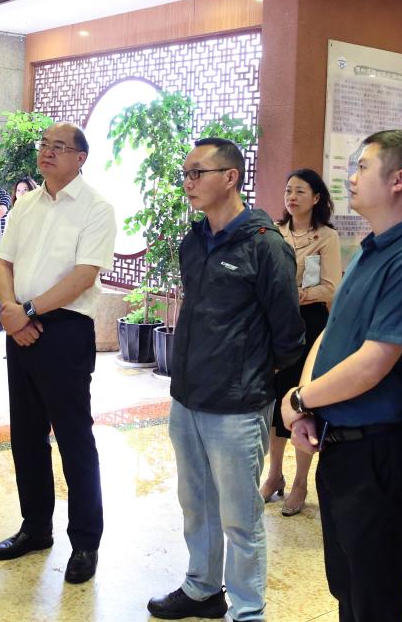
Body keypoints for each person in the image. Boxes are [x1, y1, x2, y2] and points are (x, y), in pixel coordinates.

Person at [282, 130, 402, 622]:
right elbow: (331, 333)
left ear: (398, 179)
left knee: (375, 598)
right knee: (348, 588)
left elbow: (374, 361)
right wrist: (306, 400)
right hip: (341, 444)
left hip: (382, 449)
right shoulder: (370, 249)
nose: (350, 177)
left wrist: (298, 402)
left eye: (361, 167)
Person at [147, 138, 303, 621]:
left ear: (231, 177)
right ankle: (202, 589)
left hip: (237, 405)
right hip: (187, 397)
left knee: (241, 517)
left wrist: (247, 374)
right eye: (186, 174)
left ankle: (248, 610)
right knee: (196, 505)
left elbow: (289, 337)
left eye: (198, 173)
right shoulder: (193, 241)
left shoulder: (266, 245)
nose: (188, 183)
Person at [0, 122, 115, 585]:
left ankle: (85, 542)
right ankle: (36, 527)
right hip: (19, 325)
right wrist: (11, 311)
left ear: (81, 157)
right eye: (45, 144)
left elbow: (83, 276)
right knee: (26, 435)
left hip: (64, 331)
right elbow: (3, 262)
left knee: (74, 438)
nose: (47, 152)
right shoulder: (25, 203)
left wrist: (25, 311)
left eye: (59, 147)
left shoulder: (96, 208)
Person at [259, 169, 341, 516]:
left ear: (316, 198)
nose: (291, 197)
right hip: (275, 325)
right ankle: (274, 474)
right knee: (275, 403)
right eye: (288, 191)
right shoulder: (272, 232)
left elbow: (330, 287)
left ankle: (300, 483)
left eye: (300, 191)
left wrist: (292, 294)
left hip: (309, 324)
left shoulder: (326, 237)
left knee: (301, 405)